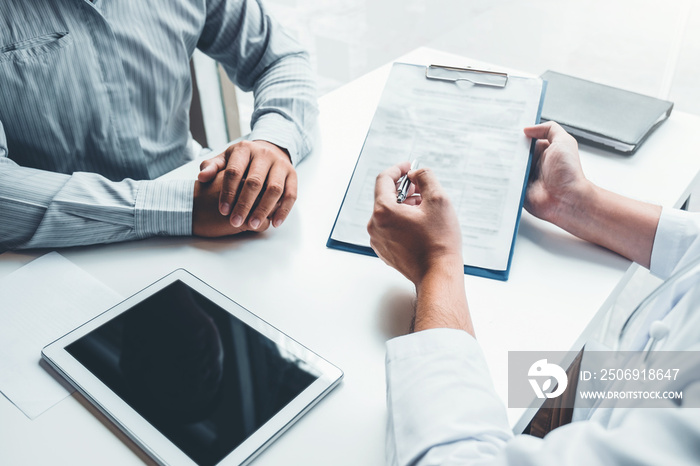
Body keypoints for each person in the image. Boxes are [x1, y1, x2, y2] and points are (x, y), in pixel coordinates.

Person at [367, 121, 700, 465]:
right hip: (641, 380)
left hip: (641, 406)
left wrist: (436, 263)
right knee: (517, 366)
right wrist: (574, 203)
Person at [0, 0, 317, 252]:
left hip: (209, 225)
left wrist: (272, 142)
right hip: (58, 259)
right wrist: (182, 206)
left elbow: (279, 58)